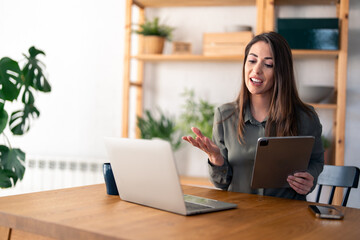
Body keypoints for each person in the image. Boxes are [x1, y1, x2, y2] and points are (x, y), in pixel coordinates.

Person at [182, 32, 324, 200]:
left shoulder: (305, 117)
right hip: (240, 215)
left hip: (287, 217)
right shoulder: (225, 115)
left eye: (268, 64)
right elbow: (221, 183)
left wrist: (309, 178)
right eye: (252, 60)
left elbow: (316, 162)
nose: (256, 70)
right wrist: (216, 158)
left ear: (281, 71)